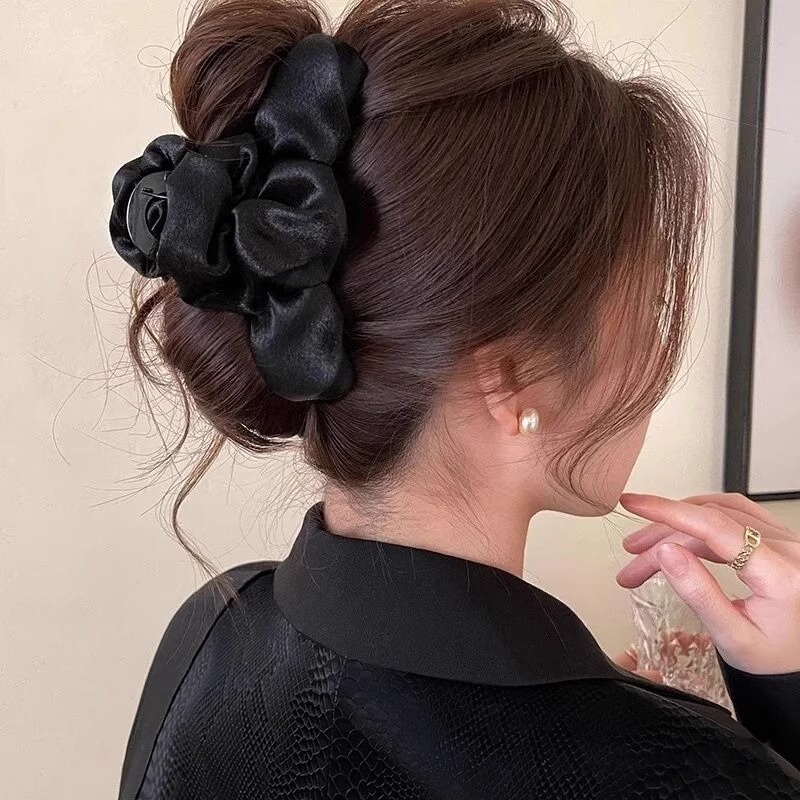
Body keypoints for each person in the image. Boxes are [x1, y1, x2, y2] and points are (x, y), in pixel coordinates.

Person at [109, 0, 800, 797]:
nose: (658, 353)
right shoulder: (690, 774)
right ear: (513, 379)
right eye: (648, 307)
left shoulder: (209, 632)